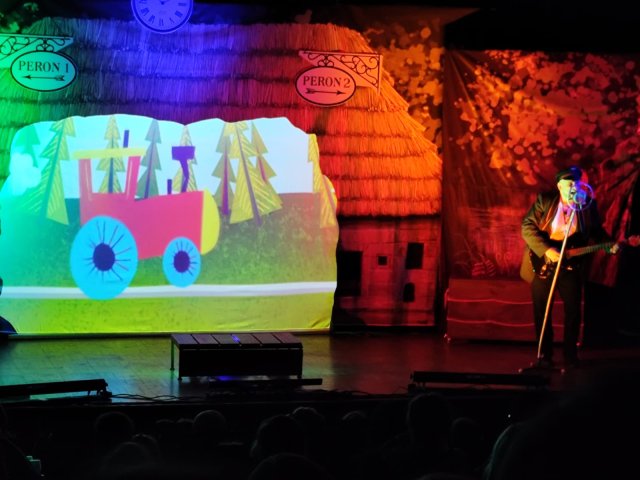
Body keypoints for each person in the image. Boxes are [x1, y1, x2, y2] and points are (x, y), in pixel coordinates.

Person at [521, 165, 618, 369]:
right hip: (543, 262)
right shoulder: (545, 200)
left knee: (573, 311)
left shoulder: (587, 205)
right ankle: (544, 356)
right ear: (559, 186)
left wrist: (609, 244)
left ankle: (570, 356)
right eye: (569, 185)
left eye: (577, 185)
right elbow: (527, 227)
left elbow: (596, 231)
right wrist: (546, 250)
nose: (573, 189)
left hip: (570, 264)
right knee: (542, 311)